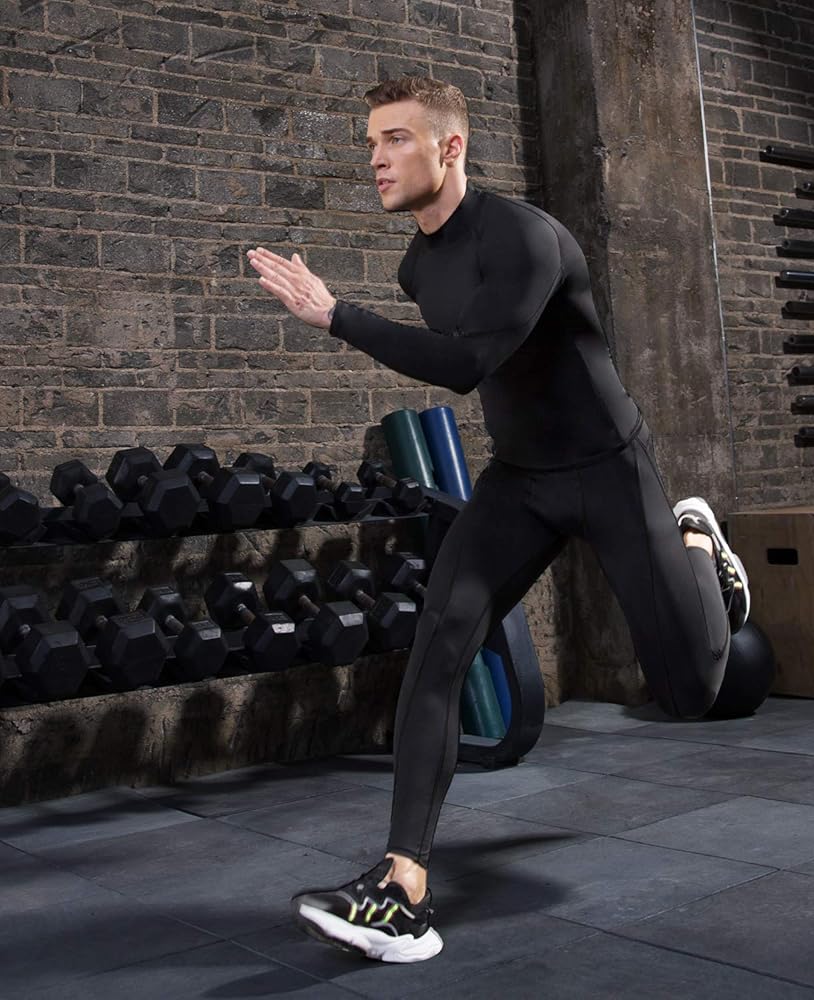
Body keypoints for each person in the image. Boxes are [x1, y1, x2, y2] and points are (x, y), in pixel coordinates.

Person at [247, 76, 749, 964]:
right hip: (522, 480)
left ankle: (697, 543)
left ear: (451, 148)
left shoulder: (524, 237)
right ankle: (402, 888)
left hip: (610, 469)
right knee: (439, 646)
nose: (375, 159)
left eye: (396, 139)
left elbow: (467, 364)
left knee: (689, 694)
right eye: (371, 142)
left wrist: (335, 316)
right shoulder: (417, 265)